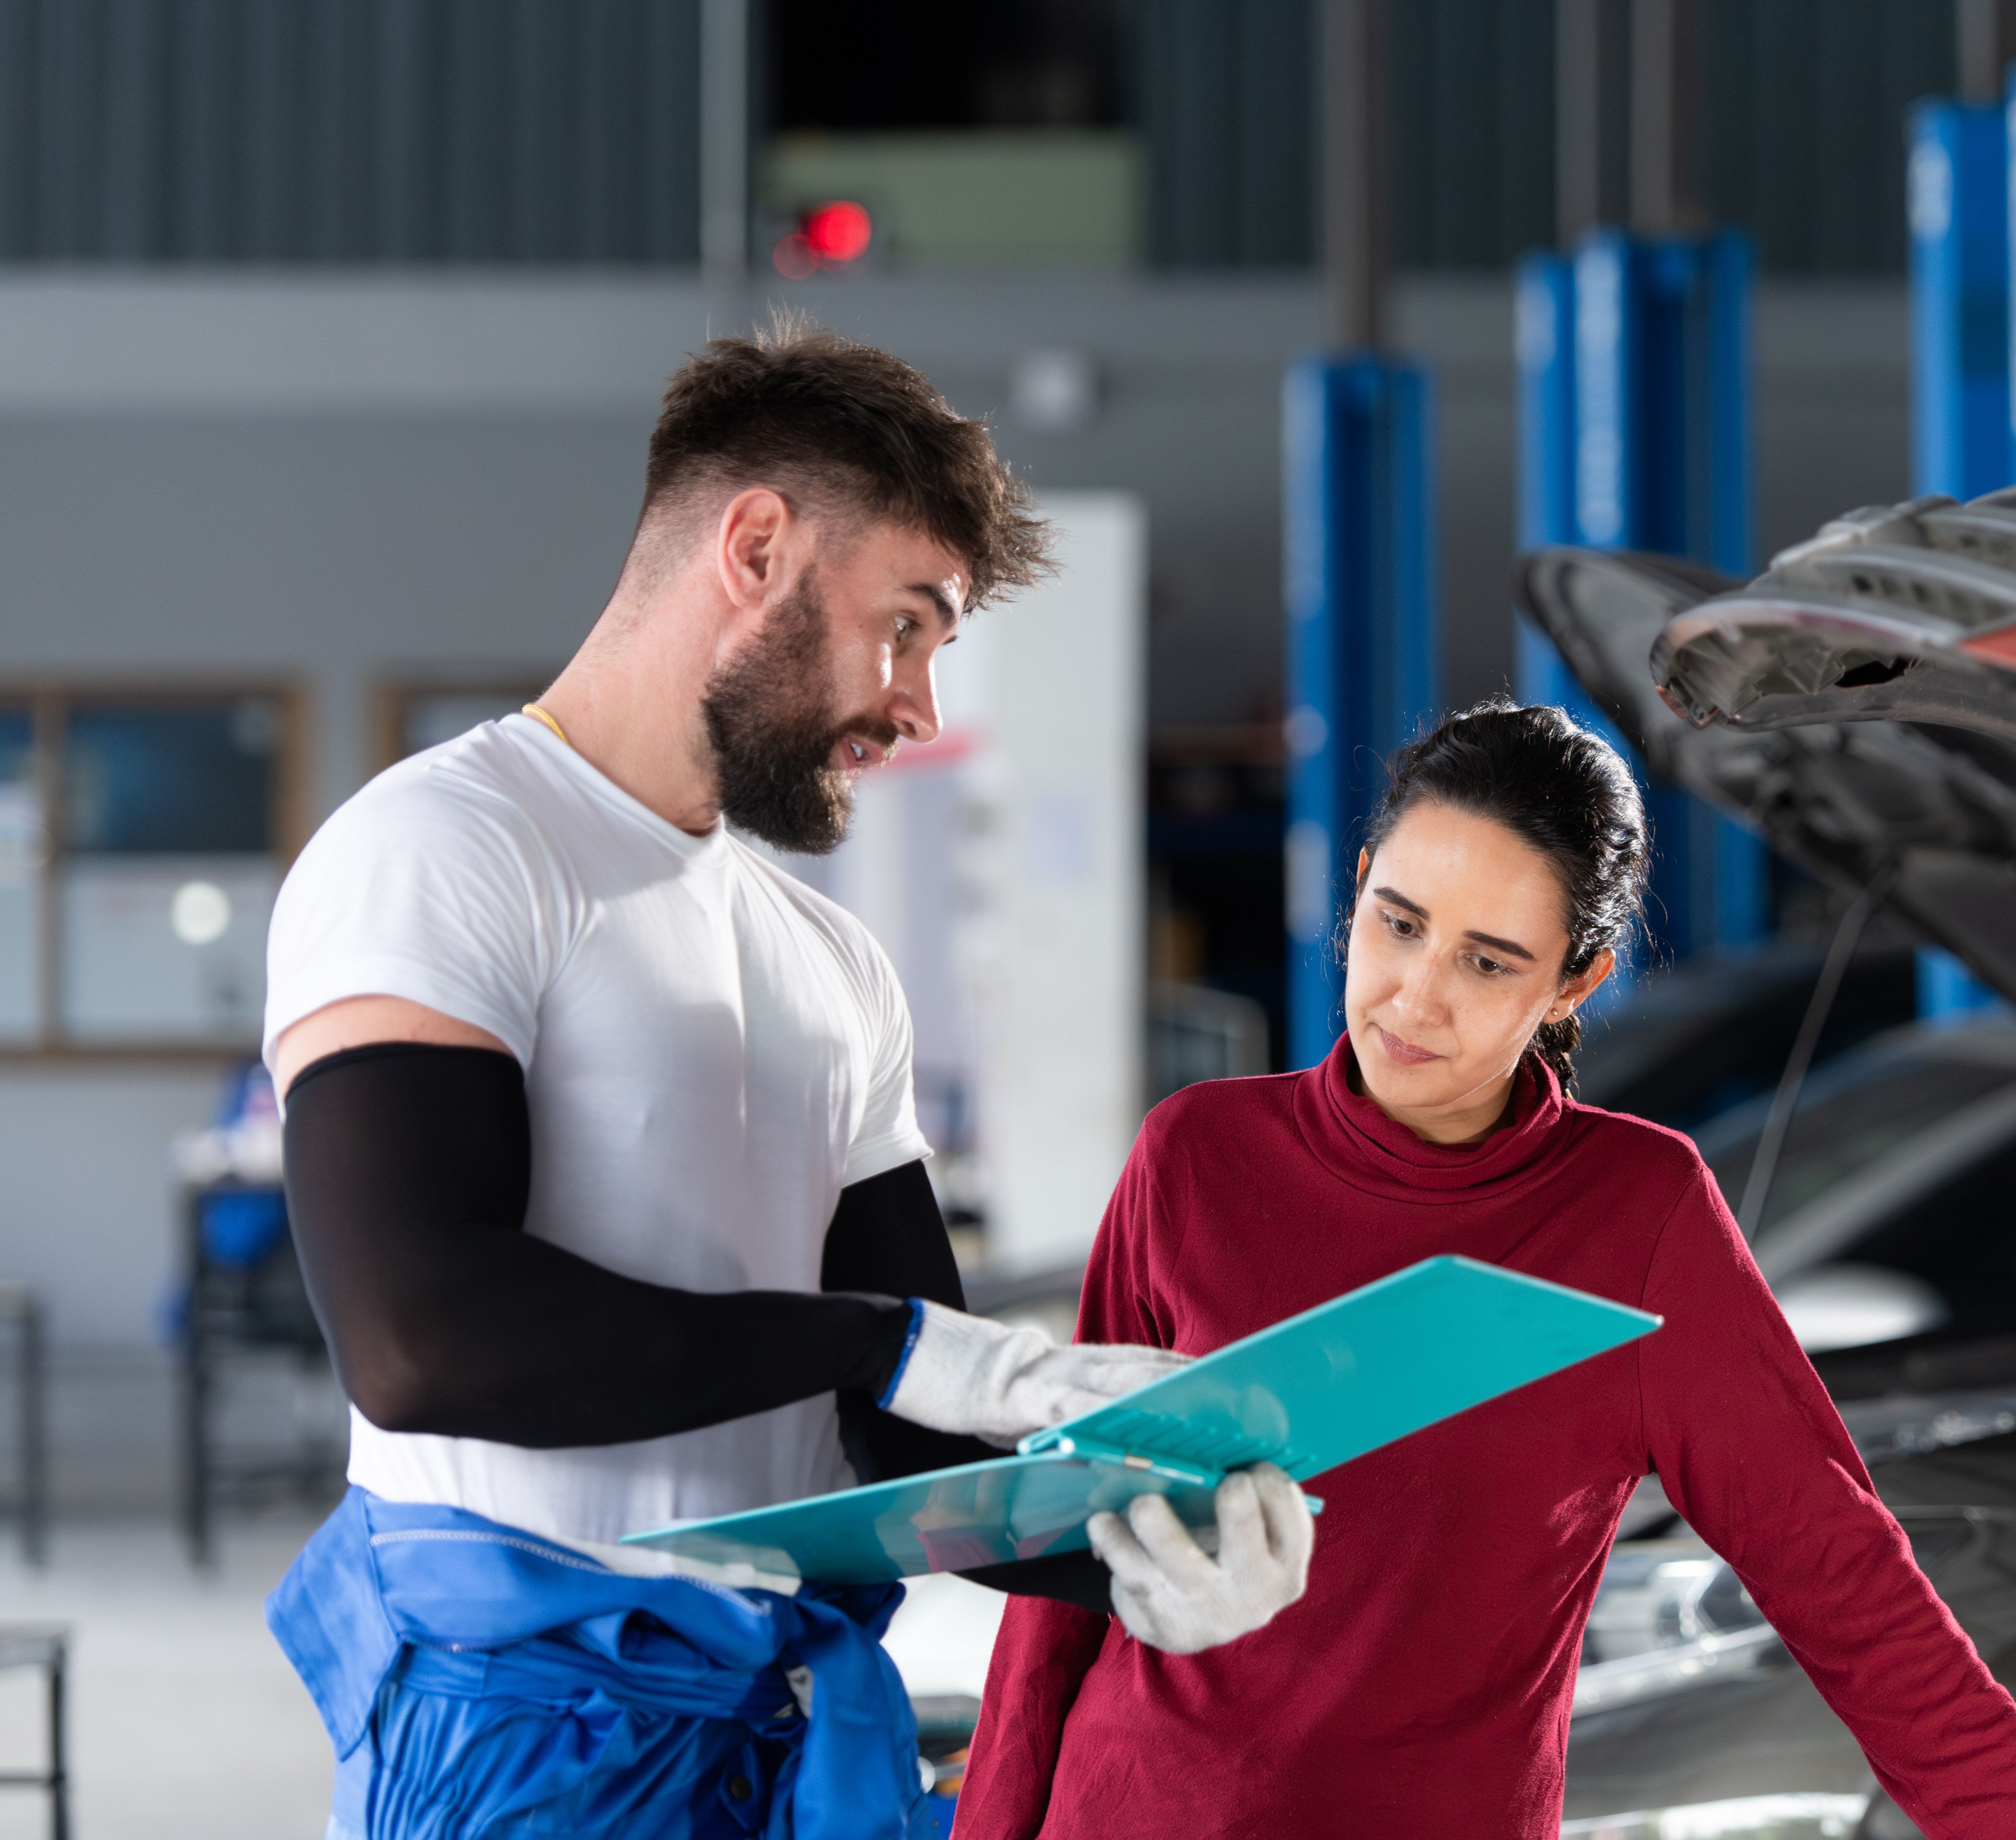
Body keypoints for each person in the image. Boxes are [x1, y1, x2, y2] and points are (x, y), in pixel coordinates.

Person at [259, 322, 1313, 1840]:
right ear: (755, 546)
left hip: (781, 1726)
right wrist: (890, 1344)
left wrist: (1143, 1551)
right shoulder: (442, 848)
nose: (919, 709)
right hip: (523, 1746)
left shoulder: (832, 963)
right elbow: (423, 1339)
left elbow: (907, 1443)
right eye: (907, 626)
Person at [955, 701, 2016, 1840]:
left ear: (1575, 982)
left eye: (1489, 962)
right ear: (1357, 885)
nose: (1415, 997)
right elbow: (1063, 1578)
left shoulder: (1637, 1218)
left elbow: (1849, 1586)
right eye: (1396, 923)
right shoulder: (1196, 1156)